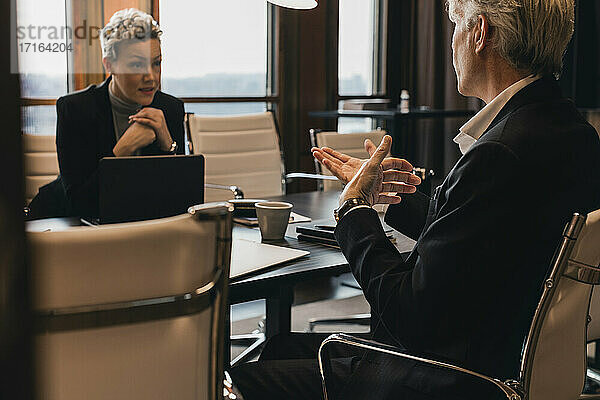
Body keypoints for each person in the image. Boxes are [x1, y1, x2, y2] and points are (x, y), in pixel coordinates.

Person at [230, 0, 600, 399]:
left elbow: (408, 314)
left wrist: (354, 210)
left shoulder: (498, 154)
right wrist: (386, 199)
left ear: (480, 33)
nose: (452, 40)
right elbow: (479, 238)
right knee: (274, 348)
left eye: (456, 24)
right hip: (503, 359)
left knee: (240, 380)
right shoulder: (573, 133)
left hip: (447, 377)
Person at [54, 8, 184, 218]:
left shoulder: (170, 109)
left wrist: (168, 146)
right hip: (82, 232)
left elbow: (180, 204)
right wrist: (122, 150)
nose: (151, 77)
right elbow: (78, 204)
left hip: (147, 232)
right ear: (109, 65)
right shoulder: (75, 110)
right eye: (136, 65)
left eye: (156, 63)